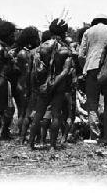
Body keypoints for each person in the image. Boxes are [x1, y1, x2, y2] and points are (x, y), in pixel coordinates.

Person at [25, 19, 73, 150]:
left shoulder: (41, 48)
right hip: (58, 85)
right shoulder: (65, 50)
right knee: (56, 114)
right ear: (64, 32)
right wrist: (55, 82)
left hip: (43, 85)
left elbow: (34, 70)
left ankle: (30, 144)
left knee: (38, 113)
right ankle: (52, 145)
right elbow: (66, 70)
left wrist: (37, 86)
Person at [78, 14, 107, 140]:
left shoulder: (88, 32)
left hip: (91, 68)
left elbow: (81, 55)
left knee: (92, 103)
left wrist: (85, 68)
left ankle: (95, 135)